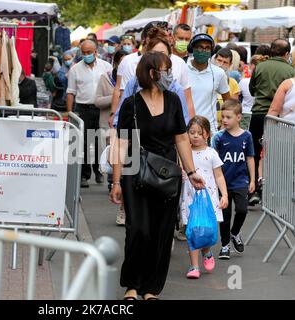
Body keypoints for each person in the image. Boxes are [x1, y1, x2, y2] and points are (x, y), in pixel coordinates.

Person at [109, 52, 205, 300]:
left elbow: (181, 138)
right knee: (138, 230)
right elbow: (121, 143)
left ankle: (151, 288)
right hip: (135, 173)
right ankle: (132, 285)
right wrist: (116, 181)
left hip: (166, 175)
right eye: (165, 69)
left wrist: (192, 171)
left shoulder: (173, 100)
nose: (169, 75)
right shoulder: (130, 103)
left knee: (161, 232)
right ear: (151, 73)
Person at [180, 116, 228, 279]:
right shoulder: (183, 153)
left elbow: (219, 176)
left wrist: (224, 195)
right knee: (192, 231)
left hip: (209, 199)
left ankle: (207, 252)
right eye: (191, 132)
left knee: (206, 229)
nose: (194, 136)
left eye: (199, 133)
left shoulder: (211, 153)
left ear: (207, 135)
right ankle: (194, 266)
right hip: (189, 197)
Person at [249, 38, 294, 205]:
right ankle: (274, 190)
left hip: (259, 113)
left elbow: (252, 89)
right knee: (276, 154)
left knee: (254, 150)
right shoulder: (290, 70)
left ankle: (254, 189)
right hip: (279, 117)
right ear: (286, 53)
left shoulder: (260, 66)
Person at [212, 99, 256, 259]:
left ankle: (235, 233)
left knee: (242, 209)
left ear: (238, 117)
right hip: (223, 182)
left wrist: (252, 179)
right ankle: (224, 245)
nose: (224, 120)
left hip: (241, 181)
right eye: (222, 116)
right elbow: (213, 160)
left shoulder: (247, 136)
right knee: (225, 215)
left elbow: (250, 157)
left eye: (228, 117)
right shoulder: (219, 137)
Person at [67, 39, 112, 188]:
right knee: (85, 143)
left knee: (101, 141)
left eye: (89, 52)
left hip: (102, 108)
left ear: (95, 52)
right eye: (83, 52)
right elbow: (70, 93)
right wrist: (69, 114)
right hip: (84, 108)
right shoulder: (75, 69)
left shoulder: (106, 67)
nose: (86, 55)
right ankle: (84, 175)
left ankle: (99, 171)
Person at [95, 50, 128, 226]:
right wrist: (116, 97)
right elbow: (98, 101)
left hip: (129, 124)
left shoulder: (134, 80)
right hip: (109, 124)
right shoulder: (106, 78)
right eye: (122, 63)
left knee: (129, 166)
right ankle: (116, 187)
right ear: (116, 64)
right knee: (114, 159)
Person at [187, 33, 231, 135]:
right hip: (185, 128)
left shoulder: (218, 73)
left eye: (207, 48)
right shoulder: (183, 69)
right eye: (200, 47)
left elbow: (228, 101)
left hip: (209, 131)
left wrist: (225, 124)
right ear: (192, 48)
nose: (203, 50)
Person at [238, 54, 269, 130]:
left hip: (245, 113)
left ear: (252, 66)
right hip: (261, 113)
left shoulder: (243, 81)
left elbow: (237, 97)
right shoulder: (267, 83)